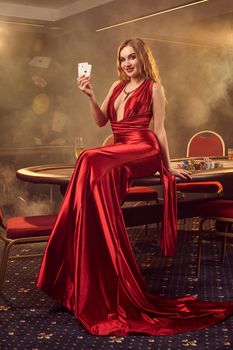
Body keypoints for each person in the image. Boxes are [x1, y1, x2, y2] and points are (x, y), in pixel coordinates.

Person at [37, 38, 233, 336]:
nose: (127, 63)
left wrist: (165, 165)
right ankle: (90, 251)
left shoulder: (154, 87)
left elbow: (160, 129)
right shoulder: (116, 87)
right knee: (89, 161)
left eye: (132, 58)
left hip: (144, 147)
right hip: (120, 148)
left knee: (90, 157)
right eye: (123, 59)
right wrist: (89, 95)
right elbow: (102, 122)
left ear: (142, 58)